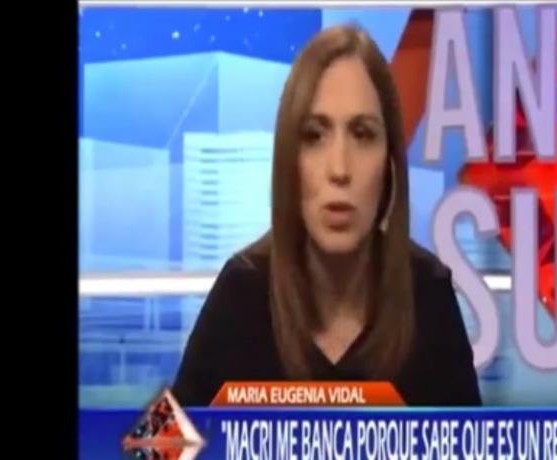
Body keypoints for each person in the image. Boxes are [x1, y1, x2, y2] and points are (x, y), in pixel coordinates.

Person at [172, 25, 481, 406]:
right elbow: (155, 439)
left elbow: (473, 437)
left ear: (389, 163)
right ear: (289, 160)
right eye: (314, 136)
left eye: (362, 135)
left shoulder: (428, 293)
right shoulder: (241, 291)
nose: (339, 169)